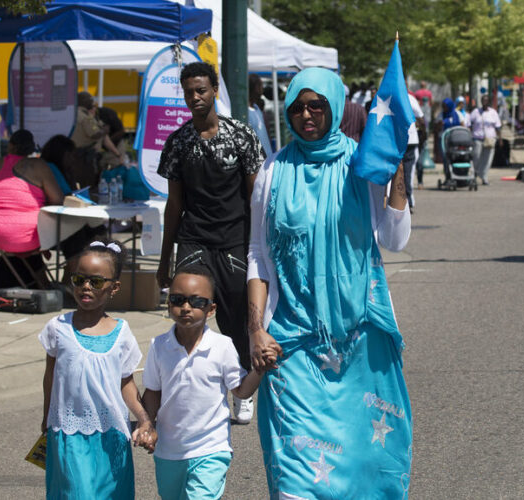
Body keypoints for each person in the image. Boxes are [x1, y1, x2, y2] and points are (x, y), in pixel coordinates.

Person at [247, 67, 413, 498]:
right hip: (292, 339)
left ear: (335, 107)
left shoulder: (363, 163)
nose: (306, 115)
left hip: (359, 338)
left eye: (316, 106)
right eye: (297, 108)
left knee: (363, 466)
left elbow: (394, 239)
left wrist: (397, 170)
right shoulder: (273, 171)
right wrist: (255, 328)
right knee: (297, 471)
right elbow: (258, 254)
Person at [157, 62, 265, 425]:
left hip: (235, 240)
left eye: (201, 90)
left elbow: (256, 197)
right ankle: (186, 384)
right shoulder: (178, 142)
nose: (195, 97)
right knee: (188, 308)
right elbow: (174, 204)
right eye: (189, 92)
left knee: (236, 319)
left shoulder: (242, 135)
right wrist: (164, 260)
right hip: (194, 239)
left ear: (215, 90)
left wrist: (262, 247)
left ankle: (243, 386)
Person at [143, 265, 275, 500]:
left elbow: (241, 390)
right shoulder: (159, 346)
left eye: (197, 302)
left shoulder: (222, 346)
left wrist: (259, 370)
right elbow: (153, 392)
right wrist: (147, 425)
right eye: (177, 299)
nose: (186, 307)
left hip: (211, 448)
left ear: (211, 309)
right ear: (168, 303)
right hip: (169, 451)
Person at [39, 240, 155, 499]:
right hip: (68, 433)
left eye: (96, 282)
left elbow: (126, 382)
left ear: (114, 287)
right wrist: (47, 417)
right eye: (79, 279)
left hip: (111, 435)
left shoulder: (122, 332)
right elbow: (50, 377)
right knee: (77, 493)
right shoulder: (58, 327)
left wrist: (144, 418)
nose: (86, 287)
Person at [0, 129, 63, 254]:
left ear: (10, 145)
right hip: (33, 236)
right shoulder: (39, 165)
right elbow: (57, 199)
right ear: (32, 147)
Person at [469, 94, 502, 185]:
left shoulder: (493, 113)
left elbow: (498, 127)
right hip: (477, 138)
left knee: (487, 159)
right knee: (476, 157)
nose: (485, 102)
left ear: (489, 102)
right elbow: (469, 124)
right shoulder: (476, 112)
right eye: (483, 100)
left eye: (486, 100)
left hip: (490, 139)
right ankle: (473, 175)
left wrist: (500, 139)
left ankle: (484, 177)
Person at [403, 91, 425, 204]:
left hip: (394, 139)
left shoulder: (387, 95)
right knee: (408, 172)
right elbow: (421, 118)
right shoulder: (409, 98)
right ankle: (408, 200)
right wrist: (423, 133)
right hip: (410, 139)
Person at [248, 73, 273, 157]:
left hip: (268, 157)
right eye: (260, 86)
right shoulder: (246, 112)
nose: (262, 89)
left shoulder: (257, 108)